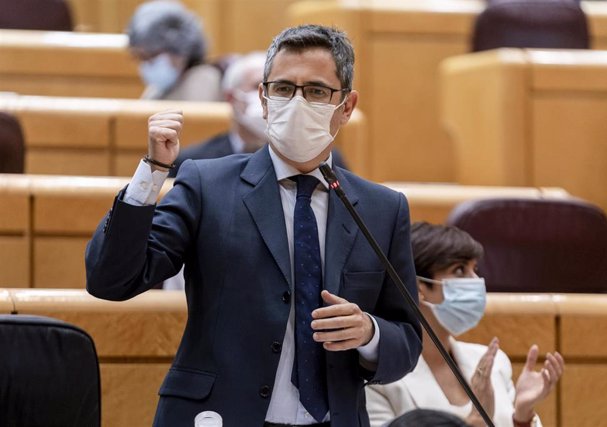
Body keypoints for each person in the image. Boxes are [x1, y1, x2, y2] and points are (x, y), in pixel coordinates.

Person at [85, 24, 422, 426]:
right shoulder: (206, 184)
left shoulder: (382, 209)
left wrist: (369, 333)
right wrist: (152, 174)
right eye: (283, 89)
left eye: (315, 91)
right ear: (263, 100)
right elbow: (111, 279)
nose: (297, 102)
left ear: (346, 107)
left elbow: (407, 339)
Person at [366, 222, 565, 427]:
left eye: (474, 269)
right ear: (419, 287)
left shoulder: (494, 363)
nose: (476, 281)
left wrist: (522, 417)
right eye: (460, 270)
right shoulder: (379, 379)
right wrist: (473, 423)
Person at [169, 51, 349, 179]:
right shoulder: (194, 161)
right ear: (232, 97)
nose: (265, 97)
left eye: (280, 89)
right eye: (256, 86)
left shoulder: (323, 157)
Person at [127, 0, 222, 101]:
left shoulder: (203, 79)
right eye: (141, 57)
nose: (147, 64)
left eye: (153, 55)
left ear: (179, 50)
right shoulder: (157, 89)